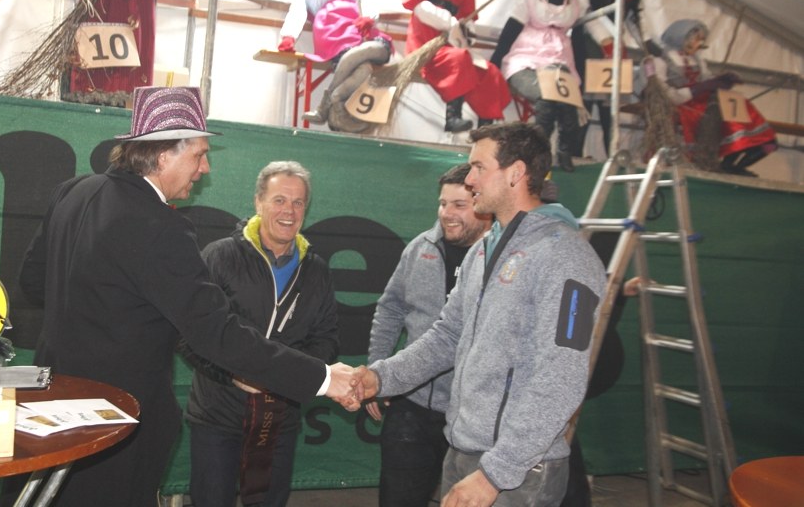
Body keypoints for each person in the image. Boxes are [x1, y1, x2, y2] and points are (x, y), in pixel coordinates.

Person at [16, 86, 358, 507]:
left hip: (49, 403)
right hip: (115, 419)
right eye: (198, 155)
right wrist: (323, 378)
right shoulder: (161, 227)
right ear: (164, 156)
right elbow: (216, 332)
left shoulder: (73, 191)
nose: (204, 168)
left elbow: (33, 282)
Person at [353, 122, 606, 507]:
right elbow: (446, 338)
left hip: (516, 472)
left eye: (479, 167)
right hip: (463, 452)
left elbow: (562, 378)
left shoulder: (566, 256)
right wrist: (379, 377)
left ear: (516, 173)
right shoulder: (483, 251)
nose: (469, 179)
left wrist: (495, 474)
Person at [180, 161, 340, 507]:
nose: (289, 211)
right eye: (279, 200)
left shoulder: (317, 270)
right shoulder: (220, 256)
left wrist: (290, 375)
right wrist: (232, 375)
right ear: (258, 202)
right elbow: (190, 335)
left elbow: (327, 338)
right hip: (218, 417)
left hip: (279, 421)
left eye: (298, 202)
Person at [366, 162, 492, 507]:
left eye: (459, 205)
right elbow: (390, 308)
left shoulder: (500, 259)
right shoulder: (420, 248)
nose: (447, 213)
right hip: (412, 405)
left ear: (482, 205)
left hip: (473, 414)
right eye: (442, 203)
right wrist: (379, 371)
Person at [490, 0, 589, 172]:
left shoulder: (573, 5)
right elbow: (510, 31)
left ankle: (564, 150)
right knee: (547, 97)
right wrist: (494, 62)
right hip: (525, 62)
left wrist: (582, 80)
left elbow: (579, 44)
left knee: (566, 99)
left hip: (559, 64)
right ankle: (538, 155)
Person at [404, 0, 511, 133]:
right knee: (459, 58)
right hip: (426, 45)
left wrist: (467, 31)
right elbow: (420, 9)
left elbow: (467, 20)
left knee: (489, 71)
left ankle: (484, 132)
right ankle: (452, 117)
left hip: (452, 45)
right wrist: (451, 23)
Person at [278, 0, 392, 131]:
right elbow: (297, 12)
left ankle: (326, 105)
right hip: (332, 31)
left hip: (358, 27)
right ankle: (336, 107)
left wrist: (369, 17)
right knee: (365, 69)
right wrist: (288, 36)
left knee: (378, 49)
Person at [653, 19, 777, 175]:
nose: (699, 43)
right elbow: (668, 95)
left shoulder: (697, 60)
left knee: (740, 107)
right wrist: (703, 87)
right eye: (696, 39)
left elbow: (706, 79)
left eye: (701, 39)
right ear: (682, 37)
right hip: (686, 106)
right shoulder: (661, 61)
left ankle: (746, 151)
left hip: (704, 103)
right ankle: (725, 160)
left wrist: (721, 80)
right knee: (719, 111)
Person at [571, 0, 659, 157]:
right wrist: (604, 36)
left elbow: (632, 18)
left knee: (610, 102)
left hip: (614, 46)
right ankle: (576, 153)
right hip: (590, 43)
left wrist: (647, 45)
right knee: (586, 98)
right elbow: (584, 12)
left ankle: (611, 154)